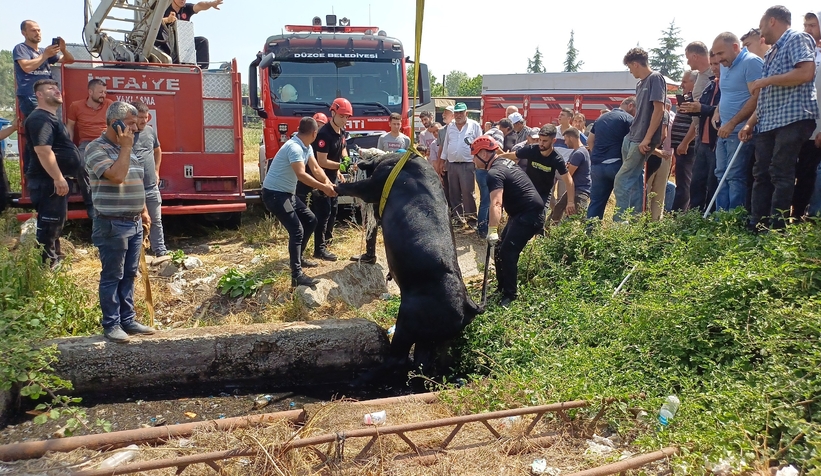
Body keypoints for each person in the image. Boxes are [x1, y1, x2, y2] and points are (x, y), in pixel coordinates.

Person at [741, 6, 818, 229]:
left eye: (762, 25)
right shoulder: (772, 52)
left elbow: (806, 72)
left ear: (773, 21)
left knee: (780, 173)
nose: (761, 31)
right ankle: (757, 224)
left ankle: (777, 228)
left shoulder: (797, 38)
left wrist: (767, 80)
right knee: (761, 173)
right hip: (768, 122)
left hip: (792, 118)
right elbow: (767, 99)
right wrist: (750, 123)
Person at [84, 102, 155, 343]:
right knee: (112, 275)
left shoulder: (129, 148)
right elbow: (116, 176)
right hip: (112, 224)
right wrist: (125, 147)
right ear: (115, 123)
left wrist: (144, 211)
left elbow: (136, 180)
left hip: (134, 223)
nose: (136, 129)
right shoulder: (96, 148)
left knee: (129, 274)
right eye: (132, 124)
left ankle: (128, 320)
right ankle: (111, 324)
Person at [471, 136, 545, 308]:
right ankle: (502, 287)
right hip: (520, 213)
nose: (473, 160)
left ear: (483, 153)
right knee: (499, 249)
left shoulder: (494, 173)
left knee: (507, 253)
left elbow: (496, 203)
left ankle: (510, 296)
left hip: (529, 215)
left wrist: (492, 230)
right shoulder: (504, 163)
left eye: (474, 155)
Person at [262, 117, 336, 286]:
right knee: (297, 230)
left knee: (311, 220)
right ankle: (296, 276)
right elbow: (301, 175)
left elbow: (316, 168)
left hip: (287, 194)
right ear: (315, 133)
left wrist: (328, 183)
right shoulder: (294, 148)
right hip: (275, 194)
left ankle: (299, 257)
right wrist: (323, 188)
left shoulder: (306, 146)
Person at [23, 80, 86, 265]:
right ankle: (46, 267)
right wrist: (58, 178)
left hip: (52, 181)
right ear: (39, 95)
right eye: (51, 89)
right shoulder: (39, 118)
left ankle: (54, 259)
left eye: (57, 88)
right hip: (47, 181)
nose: (57, 91)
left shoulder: (50, 118)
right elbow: (43, 150)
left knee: (55, 224)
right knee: (49, 225)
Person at [711, 32, 763, 212]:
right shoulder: (725, 66)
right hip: (724, 129)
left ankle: (733, 220)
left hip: (740, 131)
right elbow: (727, 94)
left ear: (735, 47)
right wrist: (717, 111)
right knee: (720, 174)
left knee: (734, 176)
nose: (718, 59)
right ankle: (720, 217)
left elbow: (757, 98)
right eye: (715, 54)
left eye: (720, 53)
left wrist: (733, 123)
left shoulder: (751, 62)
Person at [613, 48, 666, 221]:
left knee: (621, 180)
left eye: (630, 67)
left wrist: (648, 139)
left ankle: (620, 223)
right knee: (635, 181)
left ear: (636, 64)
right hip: (632, 137)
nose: (630, 71)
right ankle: (635, 220)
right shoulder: (639, 84)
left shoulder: (655, 78)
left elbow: (659, 110)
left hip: (642, 139)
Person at [297, 98, 352, 261]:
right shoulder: (324, 134)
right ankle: (319, 249)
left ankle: (326, 241)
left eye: (347, 117)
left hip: (332, 178)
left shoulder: (341, 131)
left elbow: (343, 148)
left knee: (333, 210)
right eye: (342, 116)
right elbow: (321, 161)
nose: (345, 120)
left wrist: (346, 159)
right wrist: (340, 166)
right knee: (322, 213)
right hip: (319, 179)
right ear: (333, 113)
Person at [678, 52, 722, 212]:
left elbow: (722, 111)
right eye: (713, 64)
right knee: (696, 183)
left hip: (715, 141)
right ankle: (694, 218)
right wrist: (691, 108)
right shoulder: (710, 85)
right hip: (701, 140)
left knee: (712, 183)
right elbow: (702, 109)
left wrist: (701, 108)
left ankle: (708, 219)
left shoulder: (728, 87)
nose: (715, 68)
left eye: (718, 64)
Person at [497, 124, 576, 209]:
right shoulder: (531, 149)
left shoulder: (556, 158)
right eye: (540, 140)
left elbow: (569, 181)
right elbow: (511, 155)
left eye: (545, 141)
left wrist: (570, 202)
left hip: (543, 194)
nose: (541, 143)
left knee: (539, 217)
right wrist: (495, 158)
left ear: (553, 141)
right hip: (527, 189)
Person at [586, 97, 636, 220]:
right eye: (636, 109)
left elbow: (590, 140)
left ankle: (589, 232)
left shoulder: (600, 118)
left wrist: (597, 156)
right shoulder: (628, 119)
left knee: (596, 202)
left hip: (597, 166)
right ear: (631, 105)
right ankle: (617, 233)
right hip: (616, 165)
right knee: (622, 203)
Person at [792, 11, 821, 220]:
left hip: (818, 130)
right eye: (805, 25)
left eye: (812, 25)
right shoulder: (805, 53)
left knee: (811, 175)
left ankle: (810, 218)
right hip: (801, 126)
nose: (807, 30)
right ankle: (795, 217)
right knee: (800, 174)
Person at [14, 20, 74, 119]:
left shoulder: (43, 51)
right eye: (33, 30)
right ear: (24, 33)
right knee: (40, 124)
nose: (37, 33)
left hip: (48, 95)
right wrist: (45, 55)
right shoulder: (21, 48)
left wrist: (63, 49)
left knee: (50, 124)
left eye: (39, 30)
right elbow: (26, 67)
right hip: (31, 94)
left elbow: (69, 60)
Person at [131, 100, 168, 256]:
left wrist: (157, 170)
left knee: (156, 220)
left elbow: (158, 151)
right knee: (135, 223)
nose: (143, 121)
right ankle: (137, 255)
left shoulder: (150, 131)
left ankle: (160, 250)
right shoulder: (125, 134)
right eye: (140, 117)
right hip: (132, 189)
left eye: (146, 117)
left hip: (151, 186)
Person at [440, 102, 482, 228]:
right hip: (452, 164)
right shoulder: (450, 127)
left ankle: (472, 219)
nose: (458, 115)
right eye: (456, 112)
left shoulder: (474, 126)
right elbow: (446, 145)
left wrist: (478, 161)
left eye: (461, 112)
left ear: (466, 113)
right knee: (454, 192)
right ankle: (458, 219)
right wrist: (442, 161)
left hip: (468, 164)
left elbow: (480, 144)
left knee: (468, 192)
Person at [157, 0, 223, 69]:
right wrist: (167, 20)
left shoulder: (186, 8)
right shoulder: (163, 8)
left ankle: (203, 71)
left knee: (202, 41)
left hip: (183, 44)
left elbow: (199, 6)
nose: (183, 0)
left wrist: (210, 4)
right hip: (165, 44)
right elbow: (153, 21)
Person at [668, 71, 697, 211]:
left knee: (684, 183)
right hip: (680, 146)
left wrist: (685, 142)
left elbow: (695, 124)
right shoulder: (688, 99)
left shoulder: (695, 100)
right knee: (682, 181)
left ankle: (678, 214)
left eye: (685, 82)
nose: (681, 85)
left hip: (687, 147)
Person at [550, 127, 589, 223]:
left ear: (571, 138)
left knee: (581, 218)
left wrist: (566, 168)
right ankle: (548, 232)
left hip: (580, 191)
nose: (565, 143)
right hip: (576, 189)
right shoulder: (581, 151)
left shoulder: (578, 153)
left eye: (566, 139)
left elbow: (568, 174)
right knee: (558, 209)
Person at [67, 79, 113, 157]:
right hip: (86, 143)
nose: (103, 95)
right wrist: (69, 145)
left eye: (105, 92)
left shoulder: (109, 104)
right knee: (79, 162)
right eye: (100, 92)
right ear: (90, 92)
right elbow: (70, 126)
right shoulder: (76, 106)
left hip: (105, 141)